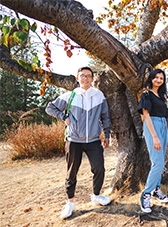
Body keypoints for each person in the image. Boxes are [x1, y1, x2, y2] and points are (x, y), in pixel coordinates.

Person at [46, 66, 111, 219]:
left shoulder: (99, 95)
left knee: (99, 168)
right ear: (77, 78)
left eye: (88, 76)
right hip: (73, 140)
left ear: (93, 79)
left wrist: (107, 134)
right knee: (72, 172)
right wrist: (63, 117)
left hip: (94, 140)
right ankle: (70, 203)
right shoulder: (70, 95)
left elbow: (105, 117)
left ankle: (96, 196)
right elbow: (50, 108)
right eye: (82, 76)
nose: (85, 79)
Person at [137, 69, 168, 213]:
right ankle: (146, 194)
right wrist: (155, 136)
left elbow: (164, 117)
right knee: (157, 163)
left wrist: (167, 137)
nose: (158, 80)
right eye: (156, 77)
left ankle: (156, 189)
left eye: (161, 78)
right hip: (153, 126)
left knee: (160, 162)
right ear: (151, 79)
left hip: (162, 126)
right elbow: (146, 116)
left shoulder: (162, 95)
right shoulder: (146, 94)